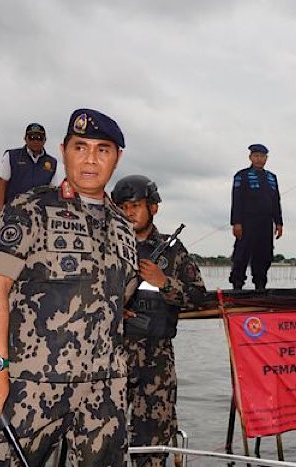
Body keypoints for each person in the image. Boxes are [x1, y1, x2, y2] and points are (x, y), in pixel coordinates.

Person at [0, 108, 138, 466]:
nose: (91, 159)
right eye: (80, 147)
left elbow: (120, 299)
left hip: (105, 389)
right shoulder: (28, 209)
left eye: (102, 149)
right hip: (32, 385)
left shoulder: (123, 227)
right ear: (63, 150)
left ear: (117, 157)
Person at [112, 175, 206, 467]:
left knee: (153, 446)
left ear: (153, 208)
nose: (129, 212)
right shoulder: (105, 247)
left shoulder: (173, 251)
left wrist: (164, 282)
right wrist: (114, 311)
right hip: (110, 359)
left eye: (136, 205)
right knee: (103, 440)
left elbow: (199, 298)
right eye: (123, 207)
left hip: (156, 361)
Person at [229, 144, 283, 291]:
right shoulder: (242, 175)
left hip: (266, 223)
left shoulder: (272, 177)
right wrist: (236, 222)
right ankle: (237, 285)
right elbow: (236, 200)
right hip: (247, 222)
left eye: (262, 156)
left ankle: (260, 286)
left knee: (264, 255)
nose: (259, 159)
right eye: (256, 156)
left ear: (266, 158)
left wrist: (279, 223)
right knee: (241, 255)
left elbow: (276, 201)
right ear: (250, 157)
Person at [0, 122, 59, 212]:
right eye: (31, 138)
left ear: (45, 140)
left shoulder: (52, 162)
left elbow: (53, 190)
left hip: (39, 213)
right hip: (12, 210)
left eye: (39, 138)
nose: (35, 141)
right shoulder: (11, 156)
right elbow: (1, 183)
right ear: (25, 139)